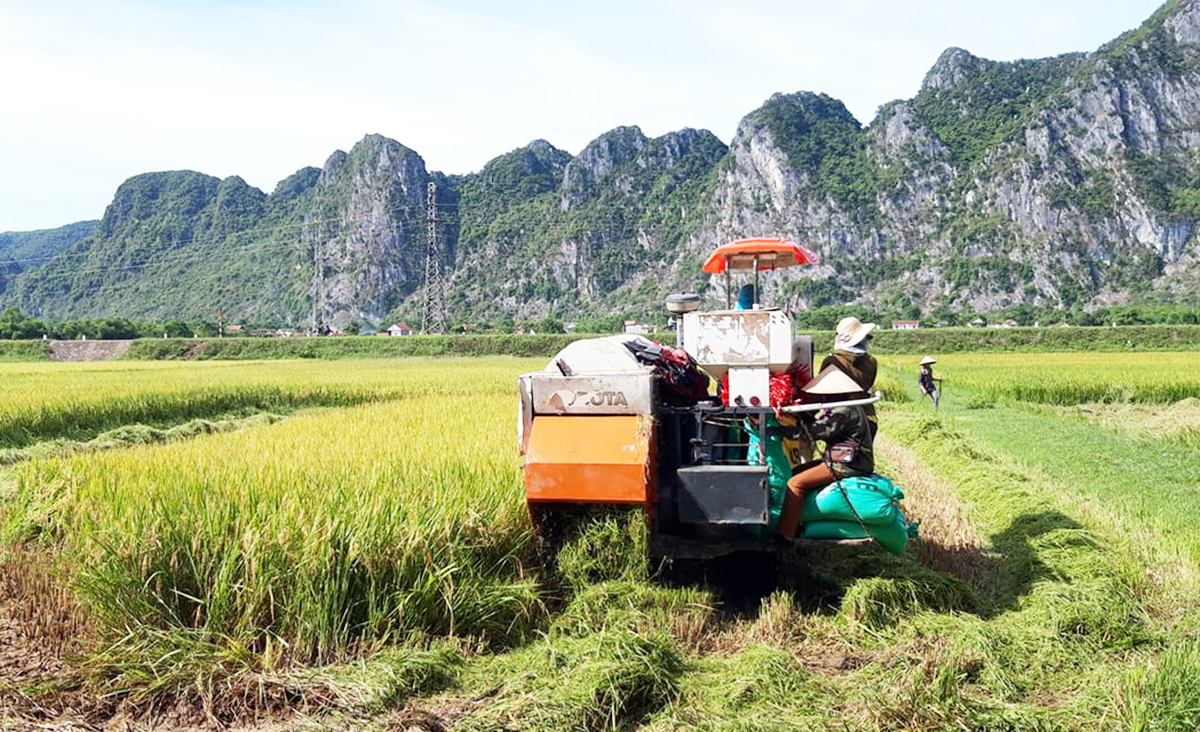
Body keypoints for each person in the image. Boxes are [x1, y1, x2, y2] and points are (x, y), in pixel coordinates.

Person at [777, 368, 874, 541]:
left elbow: (817, 431)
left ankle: (785, 536)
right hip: (838, 458)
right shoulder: (843, 405)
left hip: (850, 464)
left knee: (795, 483)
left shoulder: (844, 410)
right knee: (796, 471)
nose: (821, 397)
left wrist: (793, 420)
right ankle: (796, 522)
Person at [821, 316, 879, 438]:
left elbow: (822, 390)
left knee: (839, 453)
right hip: (866, 415)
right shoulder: (871, 361)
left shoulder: (832, 361)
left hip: (839, 419)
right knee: (863, 453)